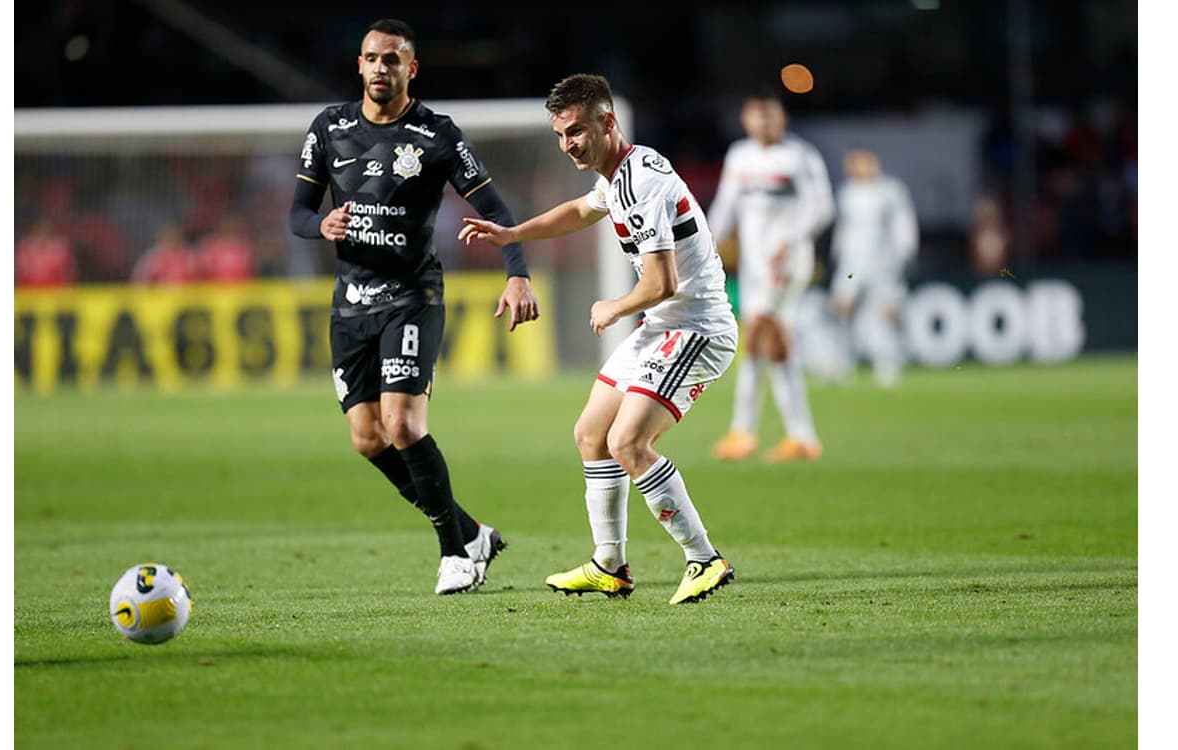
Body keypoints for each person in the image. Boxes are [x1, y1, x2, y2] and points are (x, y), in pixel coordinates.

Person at [460, 74, 736, 605]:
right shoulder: (621, 174)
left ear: (608, 123)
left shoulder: (641, 185)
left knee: (628, 443)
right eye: (561, 136)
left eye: (578, 132)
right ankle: (609, 565)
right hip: (663, 327)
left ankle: (704, 558)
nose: (569, 146)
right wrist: (513, 234)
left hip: (696, 328)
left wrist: (614, 307)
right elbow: (582, 211)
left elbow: (662, 284)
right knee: (591, 433)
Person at [288, 19, 540, 595]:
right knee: (367, 438)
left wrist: (518, 274)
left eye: (393, 60)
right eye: (372, 58)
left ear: (411, 69)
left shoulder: (437, 134)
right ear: (359, 65)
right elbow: (298, 213)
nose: (381, 68)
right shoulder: (329, 128)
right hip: (350, 303)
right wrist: (319, 224)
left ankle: (454, 554)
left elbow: (498, 209)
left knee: (402, 424)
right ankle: (471, 531)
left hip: (412, 297)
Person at [707, 93, 835, 463]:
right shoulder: (739, 156)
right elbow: (726, 205)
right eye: (756, 117)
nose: (764, 124)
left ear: (782, 118)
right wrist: (709, 243)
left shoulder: (800, 156)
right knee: (770, 345)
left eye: (770, 117)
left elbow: (823, 206)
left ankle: (748, 431)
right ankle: (795, 435)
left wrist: (791, 240)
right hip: (754, 265)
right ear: (746, 120)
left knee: (762, 336)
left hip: (786, 261)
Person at [828, 147, 919, 388]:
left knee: (885, 314)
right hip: (851, 263)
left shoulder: (891, 191)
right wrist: (837, 254)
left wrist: (905, 253)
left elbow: (904, 224)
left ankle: (888, 366)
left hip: (883, 262)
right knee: (842, 309)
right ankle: (843, 364)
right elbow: (844, 228)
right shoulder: (847, 193)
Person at [131, 223, 198, 285]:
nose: (172, 240)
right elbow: (140, 282)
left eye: (174, 237)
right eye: (168, 237)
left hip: (186, 295)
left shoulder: (187, 258)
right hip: (160, 296)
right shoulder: (153, 259)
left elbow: (197, 279)